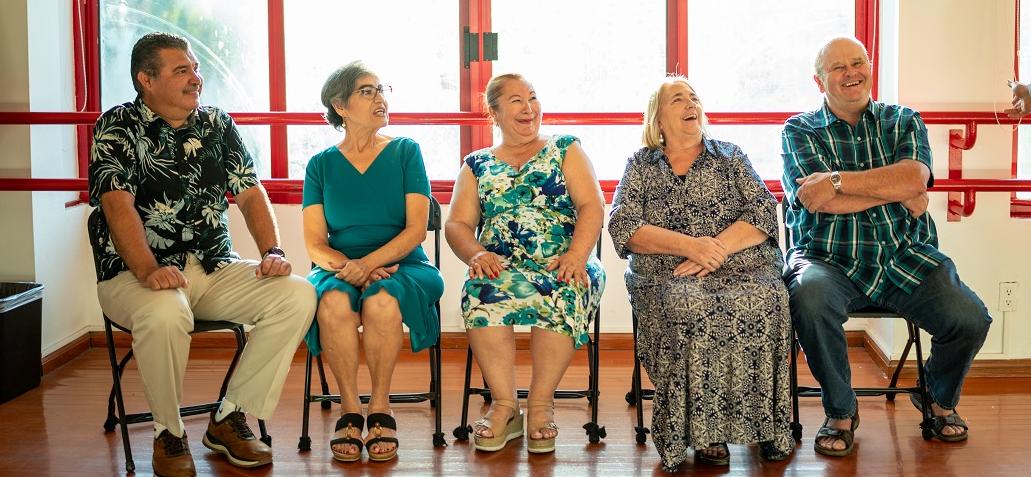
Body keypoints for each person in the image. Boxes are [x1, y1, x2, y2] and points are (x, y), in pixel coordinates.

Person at [87, 32, 316, 477]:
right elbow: (117, 205)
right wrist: (149, 269)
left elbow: (250, 193)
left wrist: (272, 251)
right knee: (166, 311)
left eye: (195, 68)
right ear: (146, 79)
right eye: (182, 70)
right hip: (134, 275)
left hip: (213, 268)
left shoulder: (217, 123)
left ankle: (230, 416)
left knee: (296, 294)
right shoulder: (117, 126)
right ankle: (168, 434)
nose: (196, 78)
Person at [781, 36, 992, 457]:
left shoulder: (903, 120)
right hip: (827, 258)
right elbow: (817, 200)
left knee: (970, 318)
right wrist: (894, 190)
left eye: (857, 62)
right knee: (809, 298)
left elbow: (913, 179)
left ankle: (936, 395)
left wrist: (837, 181)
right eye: (838, 67)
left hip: (904, 255)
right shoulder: (799, 130)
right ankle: (840, 411)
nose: (851, 73)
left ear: (869, 66)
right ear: (819, 81)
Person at [608, 77, 793, 471]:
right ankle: (705, 434)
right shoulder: (641, 165)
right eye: (678, 99)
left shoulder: (730, 155)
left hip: (744, 265)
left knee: (768, 298)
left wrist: (715, 249)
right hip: (668, 273)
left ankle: (766, 427)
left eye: (694, 97)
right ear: (658, 118)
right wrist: (690, 246)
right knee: (687, 303)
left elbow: (763, 211)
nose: (691, 103)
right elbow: (624, 226)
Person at [444, 73, 606, 454]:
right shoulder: (477, 164)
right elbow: (457, 224)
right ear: (494, 112)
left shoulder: (565, 148)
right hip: (501, 265)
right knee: (479, 292)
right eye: (516, 100)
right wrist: (476, 254)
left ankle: (540, 405)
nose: (528, 107)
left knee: (564, 289)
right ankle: (504, 405)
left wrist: (577, 255)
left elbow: (592, 205)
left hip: (563, 259)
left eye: (532, 97)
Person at [301, 61, 444, 463]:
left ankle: (380, 405)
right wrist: (352, 268)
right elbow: (315, 244)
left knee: (381, 300)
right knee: (332, 301)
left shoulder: (405, 151)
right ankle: (349, 408)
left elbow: (415, 231)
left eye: (382, 90)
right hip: (339, 267)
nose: (380, 98)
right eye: (367, 91)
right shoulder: (320, 165)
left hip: (405, 264)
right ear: (340, 106)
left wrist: (368, 265)